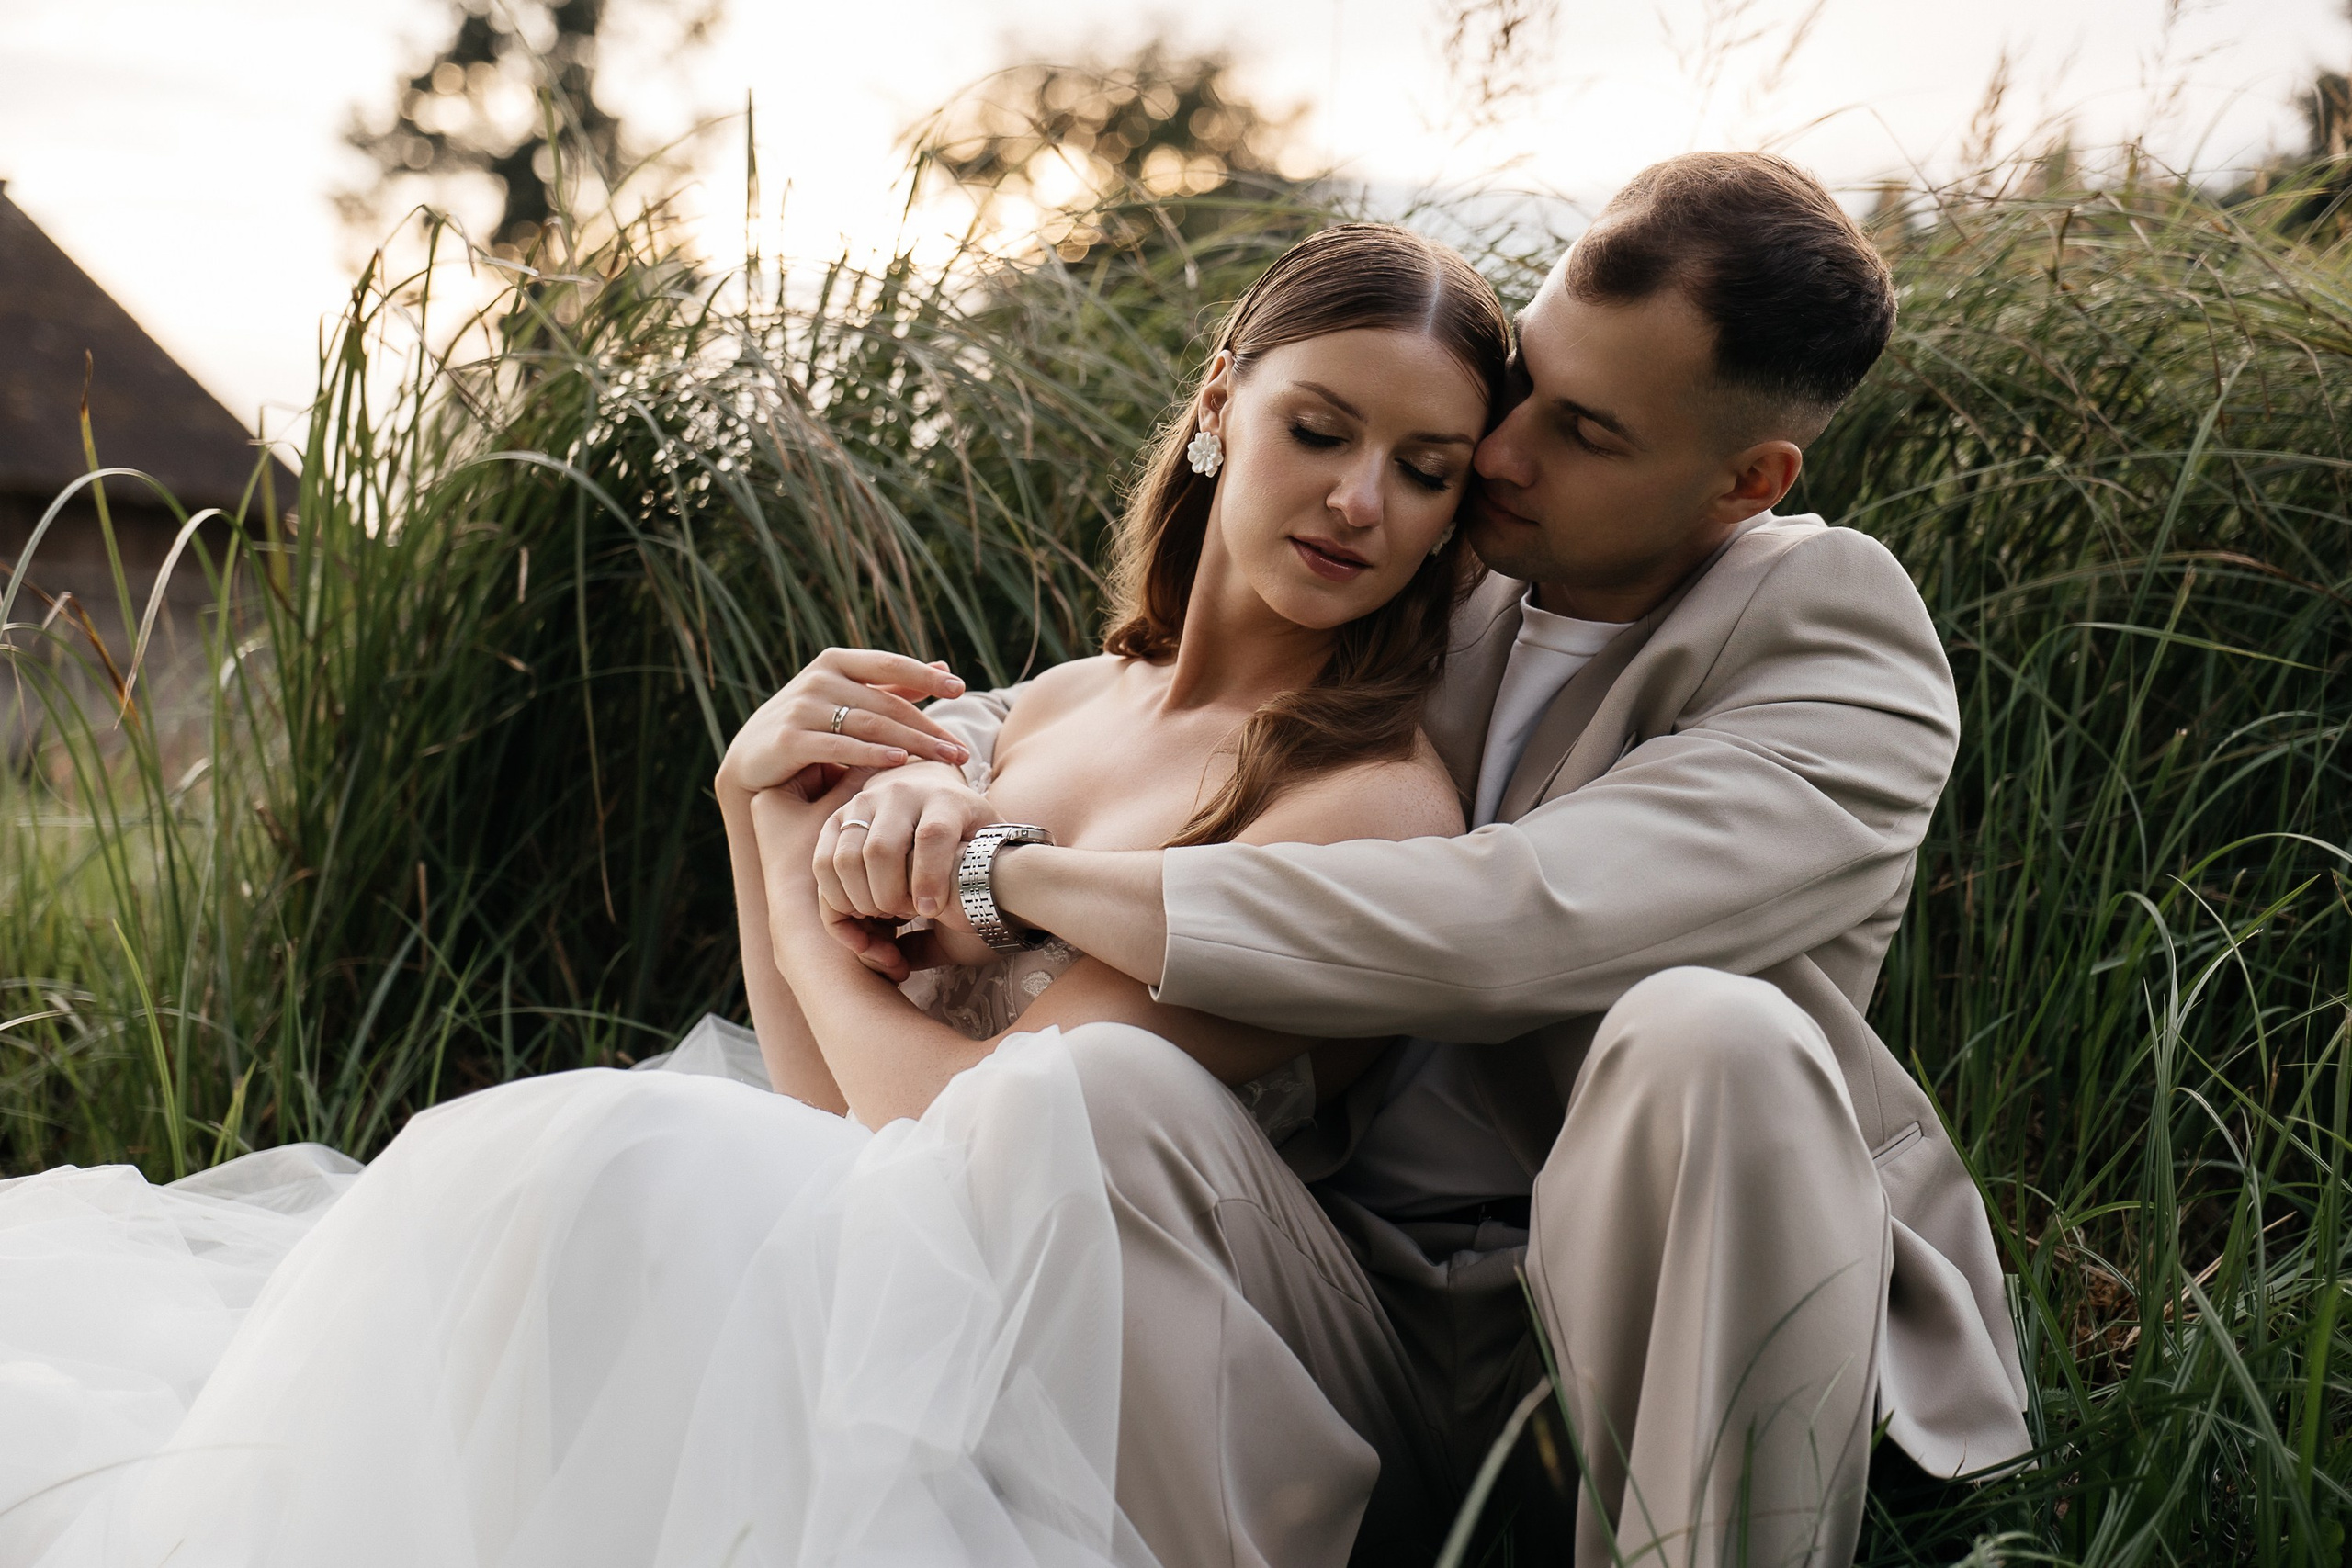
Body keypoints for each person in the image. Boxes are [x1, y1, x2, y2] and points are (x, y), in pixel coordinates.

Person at [0, 223, 1515, 1568]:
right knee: (617, 1180)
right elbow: (827, 1115)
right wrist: (753, 807)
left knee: (633, 1158)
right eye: (1318, 430)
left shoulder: (1362, 797)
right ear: (1215, 413)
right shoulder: (1056, 707)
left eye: (1424, 469)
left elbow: (983, 1133)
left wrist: (799, 898)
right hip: (938, 1249)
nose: (1359, 500)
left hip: (1148, 1374)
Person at [749, 152, 2034, 1568]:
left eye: (1587, 432)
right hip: (1337, 1288)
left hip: (1644, 1310)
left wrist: (1009, 876)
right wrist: (898, 769)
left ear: (1746, 480)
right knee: (1102, 1093)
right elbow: (1139, 701)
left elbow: (1506, 921)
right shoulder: (1434, 542)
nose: (1498, 452)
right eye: (1523, 386)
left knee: (1709, 1028)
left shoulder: (1834, 640)